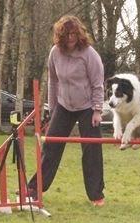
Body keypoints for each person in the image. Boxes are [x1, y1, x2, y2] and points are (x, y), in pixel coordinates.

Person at [26, 15, 105, 206]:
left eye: (74, 34)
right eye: (67, 34)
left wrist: (97, 110)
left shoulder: (89, 54)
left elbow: (97, 83)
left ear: (79, 35)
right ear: (60, 35)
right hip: (63, 105)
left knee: (92, 149)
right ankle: (34, 189)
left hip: (87, 106)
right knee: (51, 146)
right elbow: (53, 81)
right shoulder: (55, 53)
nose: (70, 37)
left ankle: (96, 195)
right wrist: (53, 108)